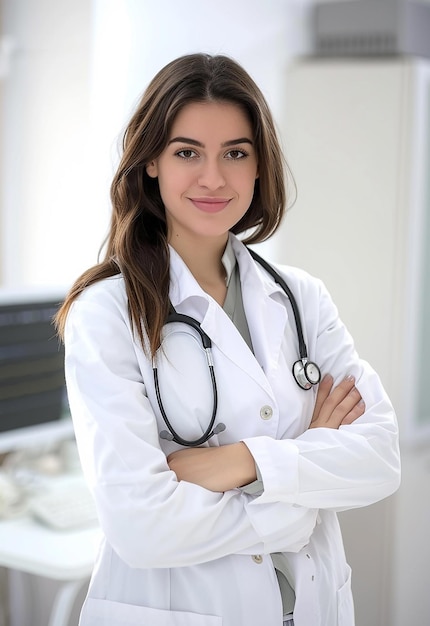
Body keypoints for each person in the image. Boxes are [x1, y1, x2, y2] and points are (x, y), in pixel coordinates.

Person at [55, 53, 400, 626]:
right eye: (187, 152)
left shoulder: (301, 299)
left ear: (260, 166)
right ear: (151, 165)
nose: (213, 178)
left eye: (235, 153)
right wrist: (297, 494)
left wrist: (232, 463)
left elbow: (381, 458)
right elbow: (141, 527)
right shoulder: (106, 315)